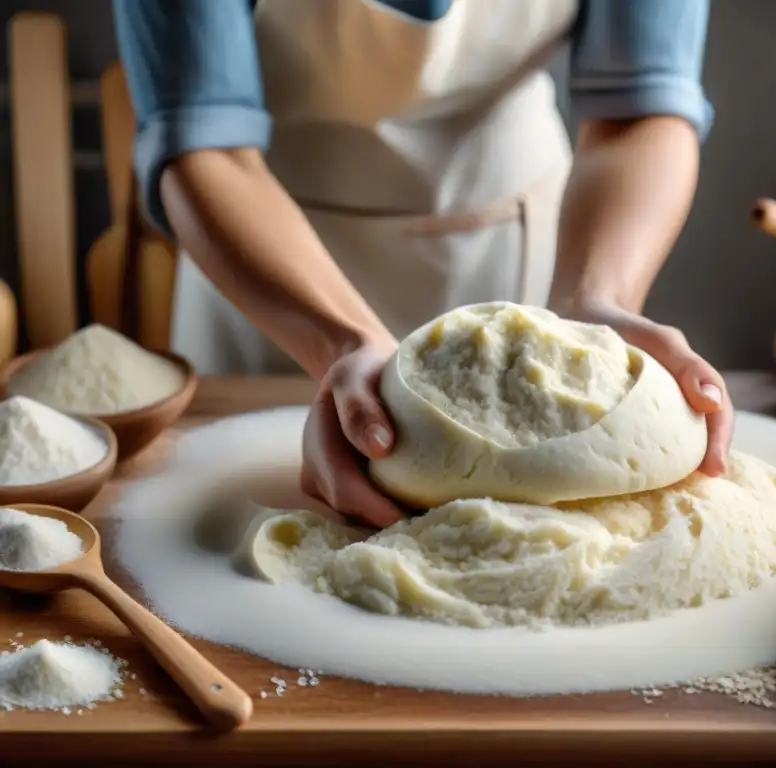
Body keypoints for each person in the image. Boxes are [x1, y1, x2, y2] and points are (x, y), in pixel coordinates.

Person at [113, 0, 734, 529]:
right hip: (267, 261)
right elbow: (206, 144)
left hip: (510, 245)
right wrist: (340, 343)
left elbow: (637, 111)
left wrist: (595, 303)